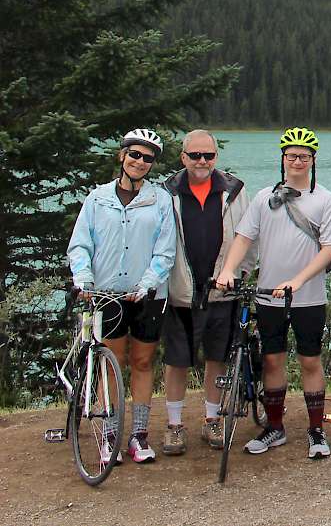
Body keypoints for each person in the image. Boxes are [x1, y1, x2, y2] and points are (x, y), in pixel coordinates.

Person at [216, 127, 331, 459]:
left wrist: (298, 280)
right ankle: (275, 427)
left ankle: (316, 430)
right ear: (282, 159)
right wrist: (228, 270)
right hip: (268, 294)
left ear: (313, 161)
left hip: (309, 297)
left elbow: (329, 249)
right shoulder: (262, 198)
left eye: (304, 156)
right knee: (272, 359)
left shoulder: (326, 200)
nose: (297, 161)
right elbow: (244, 238)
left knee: (310, 360)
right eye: (291, 156)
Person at [67, 128, 176, 465]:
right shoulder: (97, 199)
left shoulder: (160, 200)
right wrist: (83, 278)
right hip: (106, 294)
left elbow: (165, 252)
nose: (140, 162)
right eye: (134, 154)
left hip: (147, 296)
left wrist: (145, 284)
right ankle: (110, 435)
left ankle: (138, 436)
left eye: (147, 158)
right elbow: (81, 244)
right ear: (122, 155)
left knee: (143, 362)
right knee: (109, 367)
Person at [159, 129, 251, 455]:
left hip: (221, 290)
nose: (201, 161)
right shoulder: (166, 192)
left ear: (215, 157)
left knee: (216, 358)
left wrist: (243, 273)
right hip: (180, 289)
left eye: (208, 155)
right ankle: (174, 425)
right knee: (177, 361)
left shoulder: (234, 190)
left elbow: (247, 234)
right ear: (183, 157)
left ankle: (212, 419)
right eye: (194, 155)